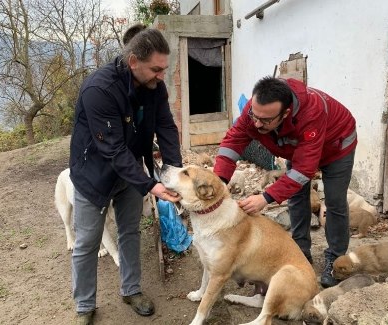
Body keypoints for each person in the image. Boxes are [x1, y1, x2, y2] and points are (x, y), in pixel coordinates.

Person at [69, 23, 182, 324]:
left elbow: (166, 127)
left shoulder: (154, 87)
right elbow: (113, 150)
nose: (162, 76)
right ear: (133, 61)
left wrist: (174, 173)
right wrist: (151, 185)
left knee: (129, 231)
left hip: (130, 172)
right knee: (88, 241)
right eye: (156, 69)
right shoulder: (100, 89)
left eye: (164, 69)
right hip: (94, 175)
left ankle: (131, 290)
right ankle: (84, 306)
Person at [213, 76, 357, 288]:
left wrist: (266, 198)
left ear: (286, 113)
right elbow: (233, 141)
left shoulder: (312, 113)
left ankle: (336, 260)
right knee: (297, 196)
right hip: (299, 148)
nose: (256, 123)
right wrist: (219, 181)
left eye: (265, 121)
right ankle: (300, 251)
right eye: (254, 115)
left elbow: (303, 170)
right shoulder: (258, 110)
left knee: (334, 202)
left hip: (337, 147)